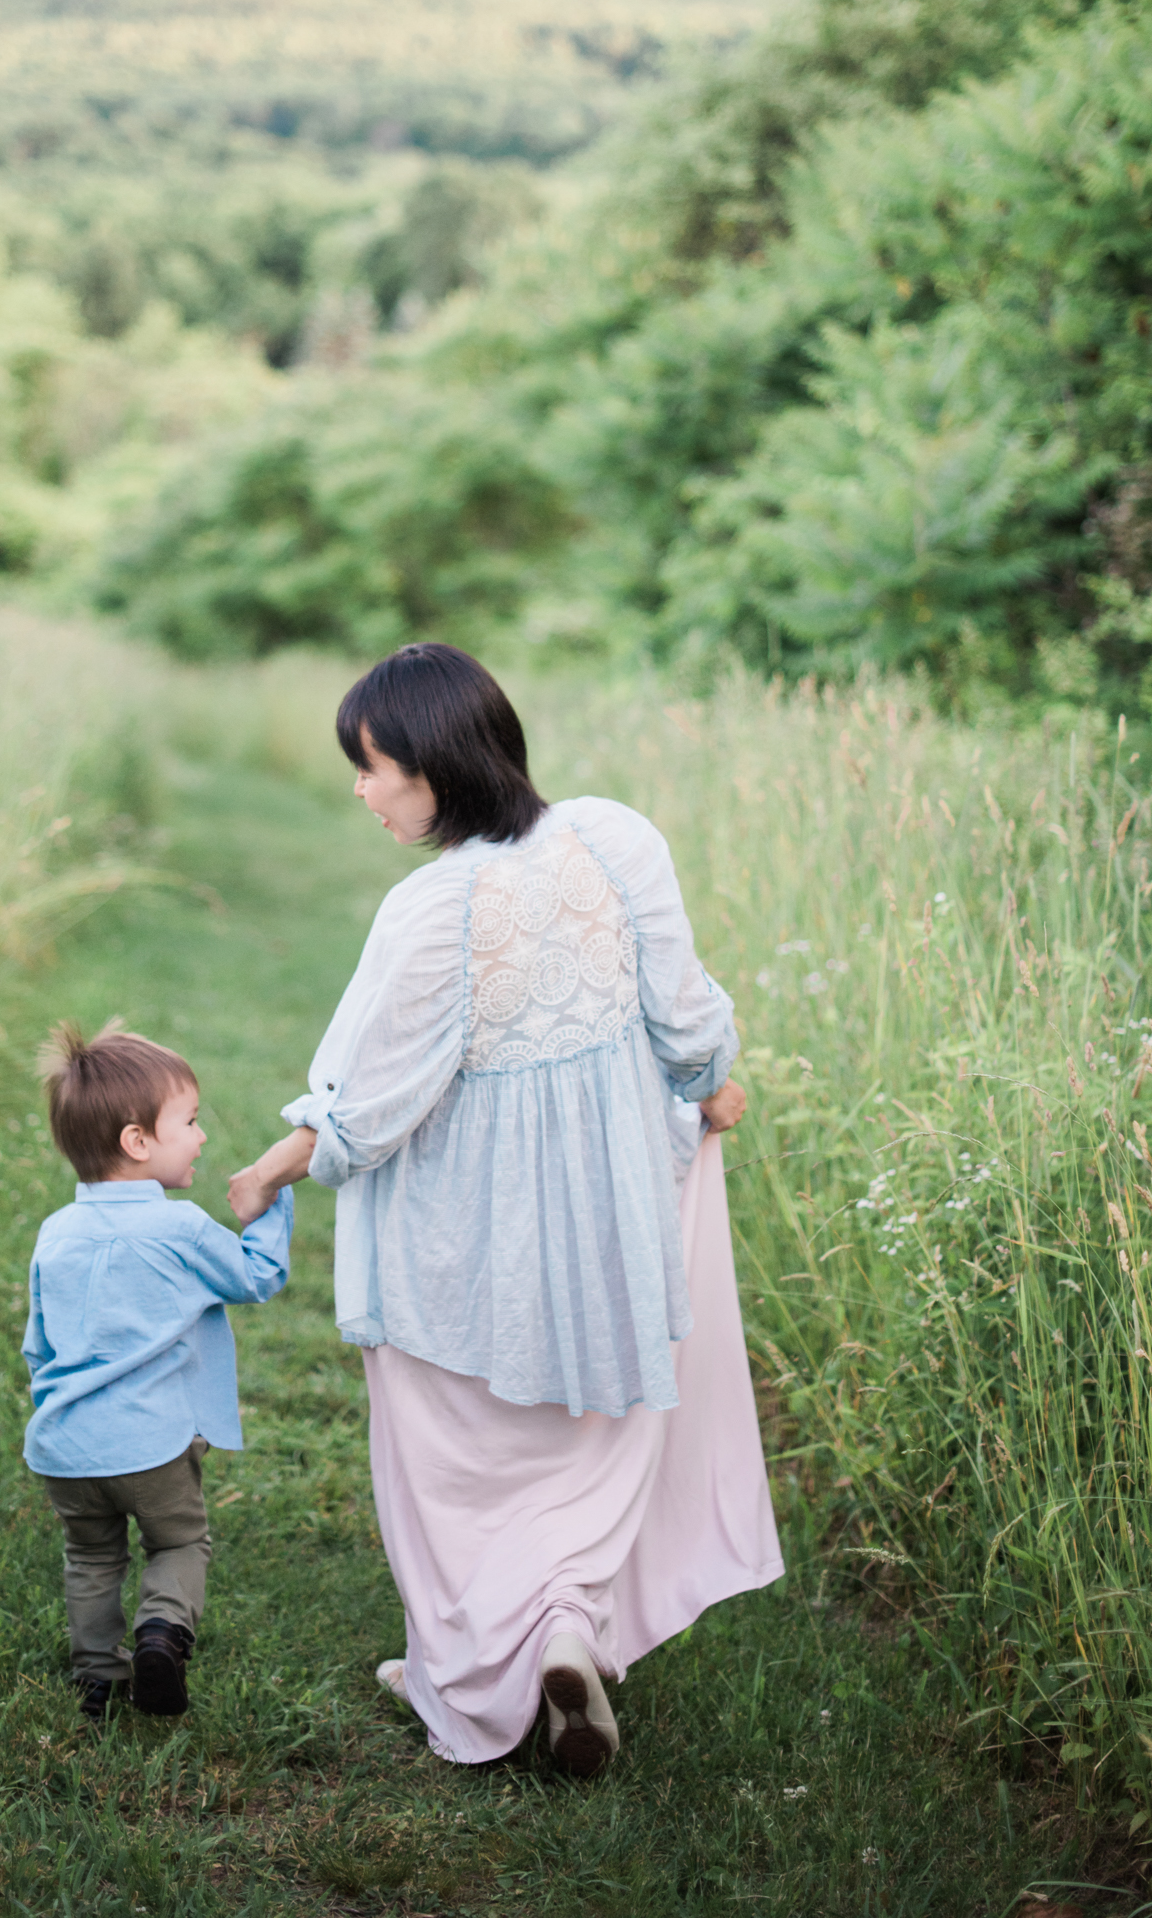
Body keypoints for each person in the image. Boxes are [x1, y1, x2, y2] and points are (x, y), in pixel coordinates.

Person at [228, 643, 782, 1775]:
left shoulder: (432, 911)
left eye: (374, 768)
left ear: (435, 767)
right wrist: (708, 1084)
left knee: (454, 1452)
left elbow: (368, 1106)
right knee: (585, 1439)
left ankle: (472, 1673)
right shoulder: (617, 837)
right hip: (609, 1227)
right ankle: (565, 1627)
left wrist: (272, 1168)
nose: (361, 790)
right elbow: (686, 1022)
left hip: (466, 1246)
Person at [23, 1018, 293, 1722]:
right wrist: (271, 1198)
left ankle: (97, 1680)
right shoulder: (179, 1226)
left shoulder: (55, 1233)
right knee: (176, 1541)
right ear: (137, 1142)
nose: (201, 1136)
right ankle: (161, 1636)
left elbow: (38, 1345)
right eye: (190, 1122)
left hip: (65, 1447)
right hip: (153, 1445)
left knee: (91, 1558)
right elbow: (256, 1277)